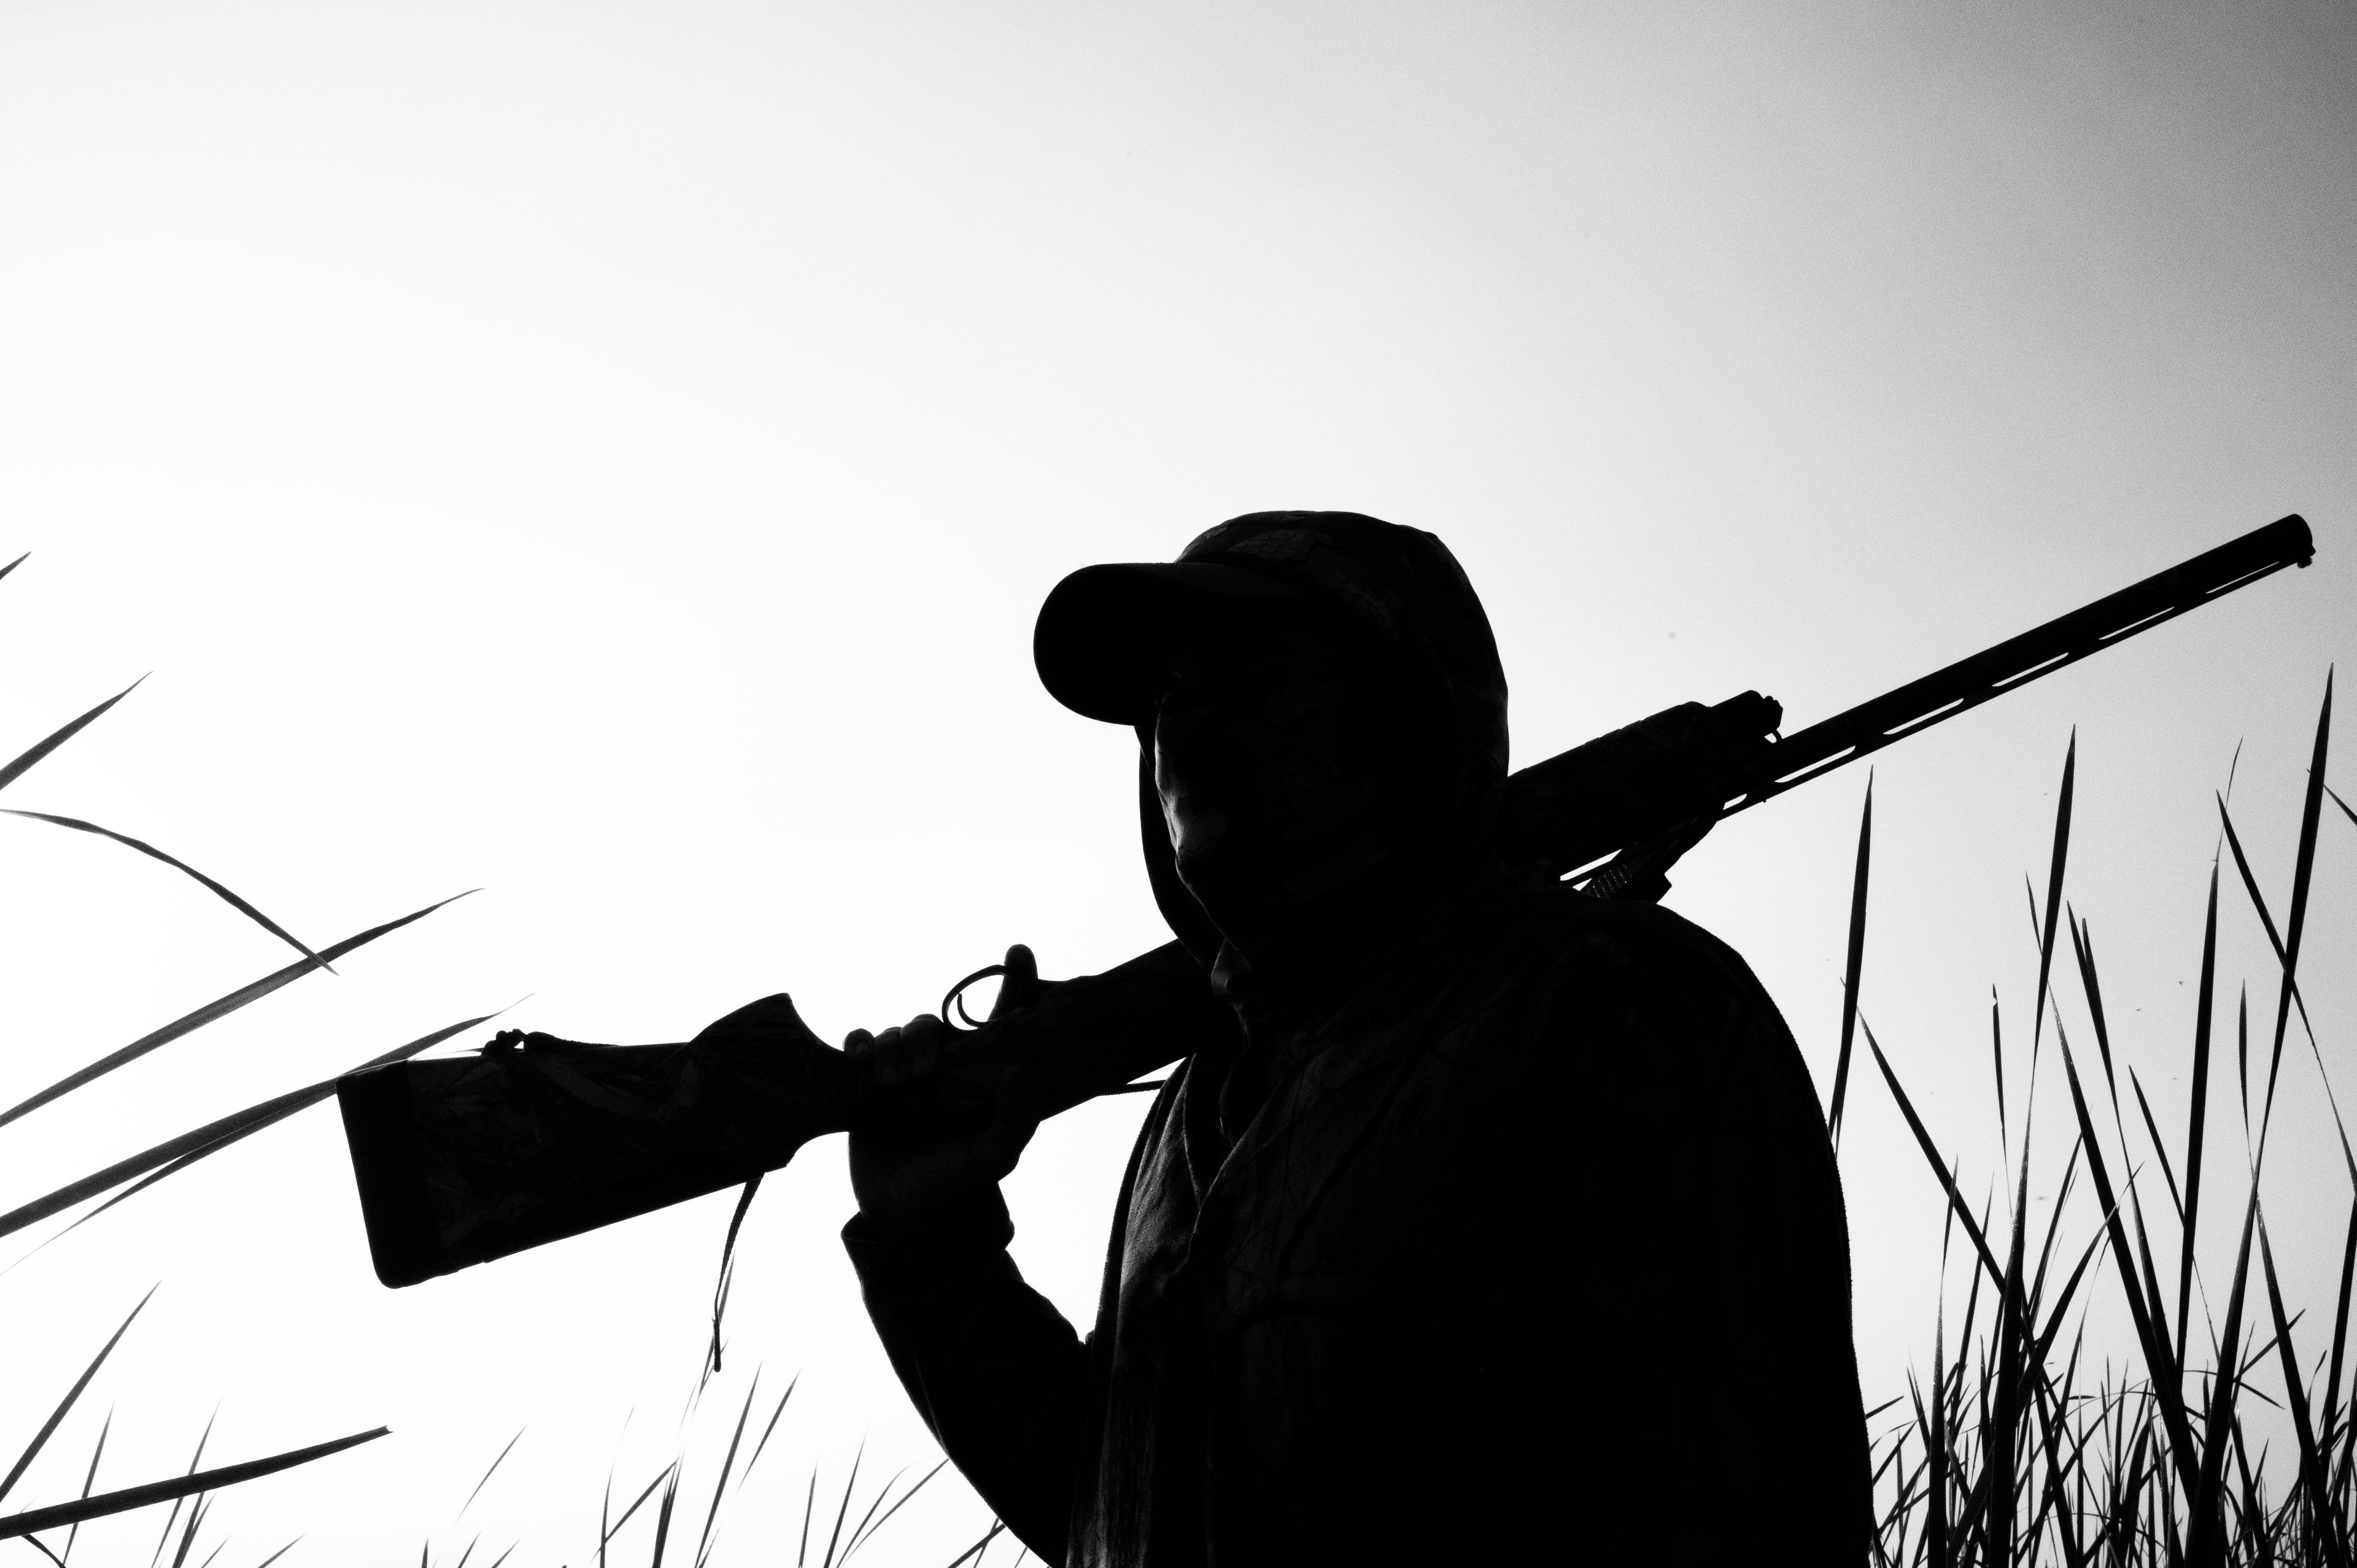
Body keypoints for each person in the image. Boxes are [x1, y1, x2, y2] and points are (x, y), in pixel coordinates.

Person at [840, 512, 1868, 1565]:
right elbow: (1117, 1513)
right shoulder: (1191, 1117)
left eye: (1249, 670)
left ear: (1406, 711)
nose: (1185, 718)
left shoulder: (1617, 1006)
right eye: (1169, 687)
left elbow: (1742, 1503)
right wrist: (930, 1240)